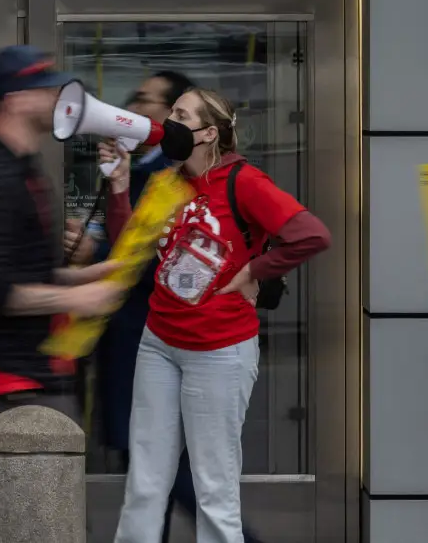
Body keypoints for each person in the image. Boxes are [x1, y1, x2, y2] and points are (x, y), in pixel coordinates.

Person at [107, 86, 330, 543]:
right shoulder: (168, 182)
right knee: (145, 480)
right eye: (170, 111)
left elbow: (311, 235)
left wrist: (254, 270)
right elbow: (128, 249)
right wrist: (117, 187)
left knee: (214, 487)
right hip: (159, 342)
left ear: (209, 133)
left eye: (181, 114)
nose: (169, 121)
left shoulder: (244, 181)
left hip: (219, 351)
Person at [0, 45, 122, 525]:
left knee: (21, 518)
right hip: (11, 380)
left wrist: (82, 275)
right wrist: (77, 296)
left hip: (31, 372)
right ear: (14, 100)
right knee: (34, 520)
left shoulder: (18, 168)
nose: (56, 96)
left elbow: (17, 272)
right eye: (45, 86)